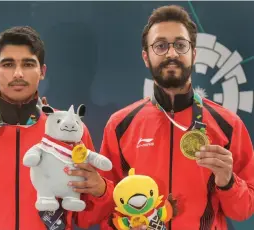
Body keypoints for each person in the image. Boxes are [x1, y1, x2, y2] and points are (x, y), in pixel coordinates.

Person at [0, 26, 113, 230]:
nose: (18, 73)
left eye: (28, 64)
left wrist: (101, 191)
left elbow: (86, 219)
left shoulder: (70, 131)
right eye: (8, 64)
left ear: (42, 71)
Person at [99, 5, 254, 230]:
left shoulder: (228, 125)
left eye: (180, 45)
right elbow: (106, 206)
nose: (171, 53)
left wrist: (228, 181)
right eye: (160, 46)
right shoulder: (120, 125)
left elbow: (244, 210)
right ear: (146, 56)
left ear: (193, 54)